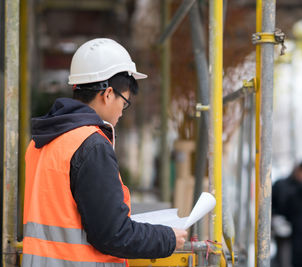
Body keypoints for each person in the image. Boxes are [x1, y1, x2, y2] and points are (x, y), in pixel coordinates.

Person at [22, 38, 187, 266]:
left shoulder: (41, 142)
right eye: (125, 101)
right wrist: (167, 237)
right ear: (108, 94)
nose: (122, 111)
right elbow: (113, 234)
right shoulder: (91, 145)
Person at [272, 161, 302, 267]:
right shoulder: (281, 185)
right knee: (283, 258)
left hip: (300, 233)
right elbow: (270, 205)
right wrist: (276, 219)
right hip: (283, 230)